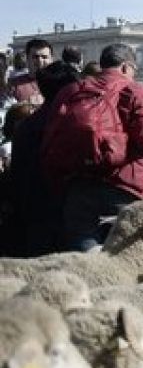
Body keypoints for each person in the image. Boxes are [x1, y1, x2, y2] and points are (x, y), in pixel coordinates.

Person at [43, 43, 143, 250]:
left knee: (83, 253)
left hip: (79, 184)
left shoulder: (71, 91)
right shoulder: (134, 90)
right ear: (125, 67)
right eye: (134, 71)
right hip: (124, 185)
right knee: (127, 254)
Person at [4, 61, 79, 255]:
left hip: (32, 215)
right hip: (65, 213)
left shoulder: (25, 127)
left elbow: (17, 176)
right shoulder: (72, 125)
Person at [7, 39, 54, 104]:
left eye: (44, 57)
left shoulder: (60, 84)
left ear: (51, 59)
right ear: (27, 59)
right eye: (35, 57)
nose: (40, 61)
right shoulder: (14, 85)